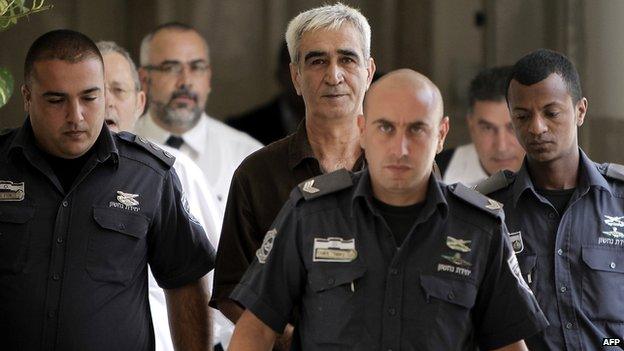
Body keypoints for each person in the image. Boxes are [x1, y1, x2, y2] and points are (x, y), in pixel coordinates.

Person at [228, 69, 547, 350]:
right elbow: (254, 332)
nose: (400, 148)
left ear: (441, 134)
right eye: (385, 128)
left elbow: (507, 343)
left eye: (417, 129)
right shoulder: (310, 215)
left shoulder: (479, 228)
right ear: (363, 130)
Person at [0, 29, 215, 350]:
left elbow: (186, 283)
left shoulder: (150, 175)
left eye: (90, 97)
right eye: (57, 100)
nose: (76, 116)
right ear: (27, 96)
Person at [212, 3, 373, 342]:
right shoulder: (256, 174)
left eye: (347, 59)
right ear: (296, 77)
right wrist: (293, 340)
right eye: (317, 61)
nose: (334, 75)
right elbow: (231, 290)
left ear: (369, 71)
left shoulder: (403, 168)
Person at [476, 49, 624, 350]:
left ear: (580, 111)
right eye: (522, 116)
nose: (536, 127)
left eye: (551, 113)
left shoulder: (620, 201)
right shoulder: (488, 211)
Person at [97, 40, 232, 350]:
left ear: (140, 102)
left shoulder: (175, 169)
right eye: (95, 92)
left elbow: (221, 282)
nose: (107, 103)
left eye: (118, 91)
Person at [135, 22, 262, 208]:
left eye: (197, 67)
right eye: (171, 68)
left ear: (208, 78)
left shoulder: (248, 157)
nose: (185, 82)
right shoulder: (119, 147)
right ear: (144, 80)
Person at [436, 66, 524, 186]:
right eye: (487, 128)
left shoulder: (556, 179)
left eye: (512, 127)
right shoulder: (433, 174)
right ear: (471, 125)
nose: (501, 147)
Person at [226, 41, 305, 145]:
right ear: (279, 75)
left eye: (316, 64)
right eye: (297, 68)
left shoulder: (332, 124)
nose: (305, 77)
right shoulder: (242, 130)